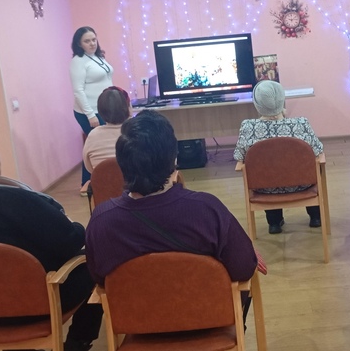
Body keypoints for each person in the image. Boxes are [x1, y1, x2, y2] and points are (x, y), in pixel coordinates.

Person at [0, 126, 103, 351]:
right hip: (35, 305)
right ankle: (77, 343)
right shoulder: (20, 200)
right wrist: (76, 226)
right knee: (97, 256)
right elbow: (70, 241)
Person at [85, 109, 258, 287]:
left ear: (121, 163)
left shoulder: (101, 221)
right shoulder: (207, 211)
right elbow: (244, 268)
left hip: (133, 306)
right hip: (203, 304)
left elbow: (100, 280)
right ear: (174, 158)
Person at [233, 80, 323, 234]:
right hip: (303, 185)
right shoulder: (301, 124)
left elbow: (239, 157)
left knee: (268, 175)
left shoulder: (248, 127)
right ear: (282, 100)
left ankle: (274, 223)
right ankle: (315, 217)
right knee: (314, 168)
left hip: (265, 189)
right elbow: (318, 151)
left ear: (257, 103)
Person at [70, 26, 114, 195]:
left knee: (96, 144)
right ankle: (88, 183)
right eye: (87, 41)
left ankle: (90, 181)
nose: (92, 43)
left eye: (94, 39)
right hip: (88, 111)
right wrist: (90, 115)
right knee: (96, 144)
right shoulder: (78, 62)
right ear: (79, 44)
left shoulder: (97, 57)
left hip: (103, 109)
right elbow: (78, 91)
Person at [82, 86, 131, 173]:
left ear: (100, 111)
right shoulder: (137, 131)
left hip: (102, 180)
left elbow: (89, 167)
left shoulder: (93, 135)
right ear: (127, 108)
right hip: (134, 181)